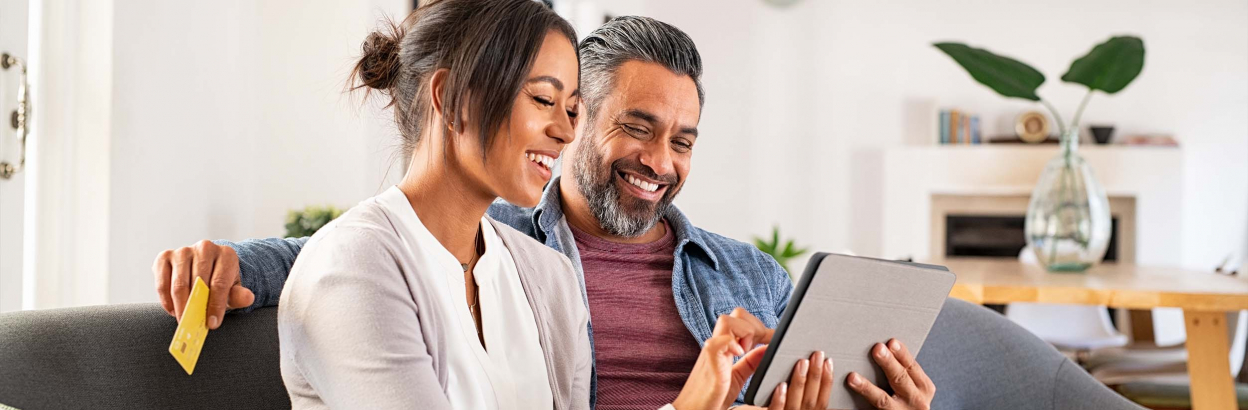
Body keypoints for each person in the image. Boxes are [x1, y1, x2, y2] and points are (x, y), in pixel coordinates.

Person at [155, 15, 925, 410]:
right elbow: (356, 255)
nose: (660, 161)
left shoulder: (746, 275)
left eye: (683, 141)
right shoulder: (499, 239)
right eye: (636, 127)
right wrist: (233, 262)